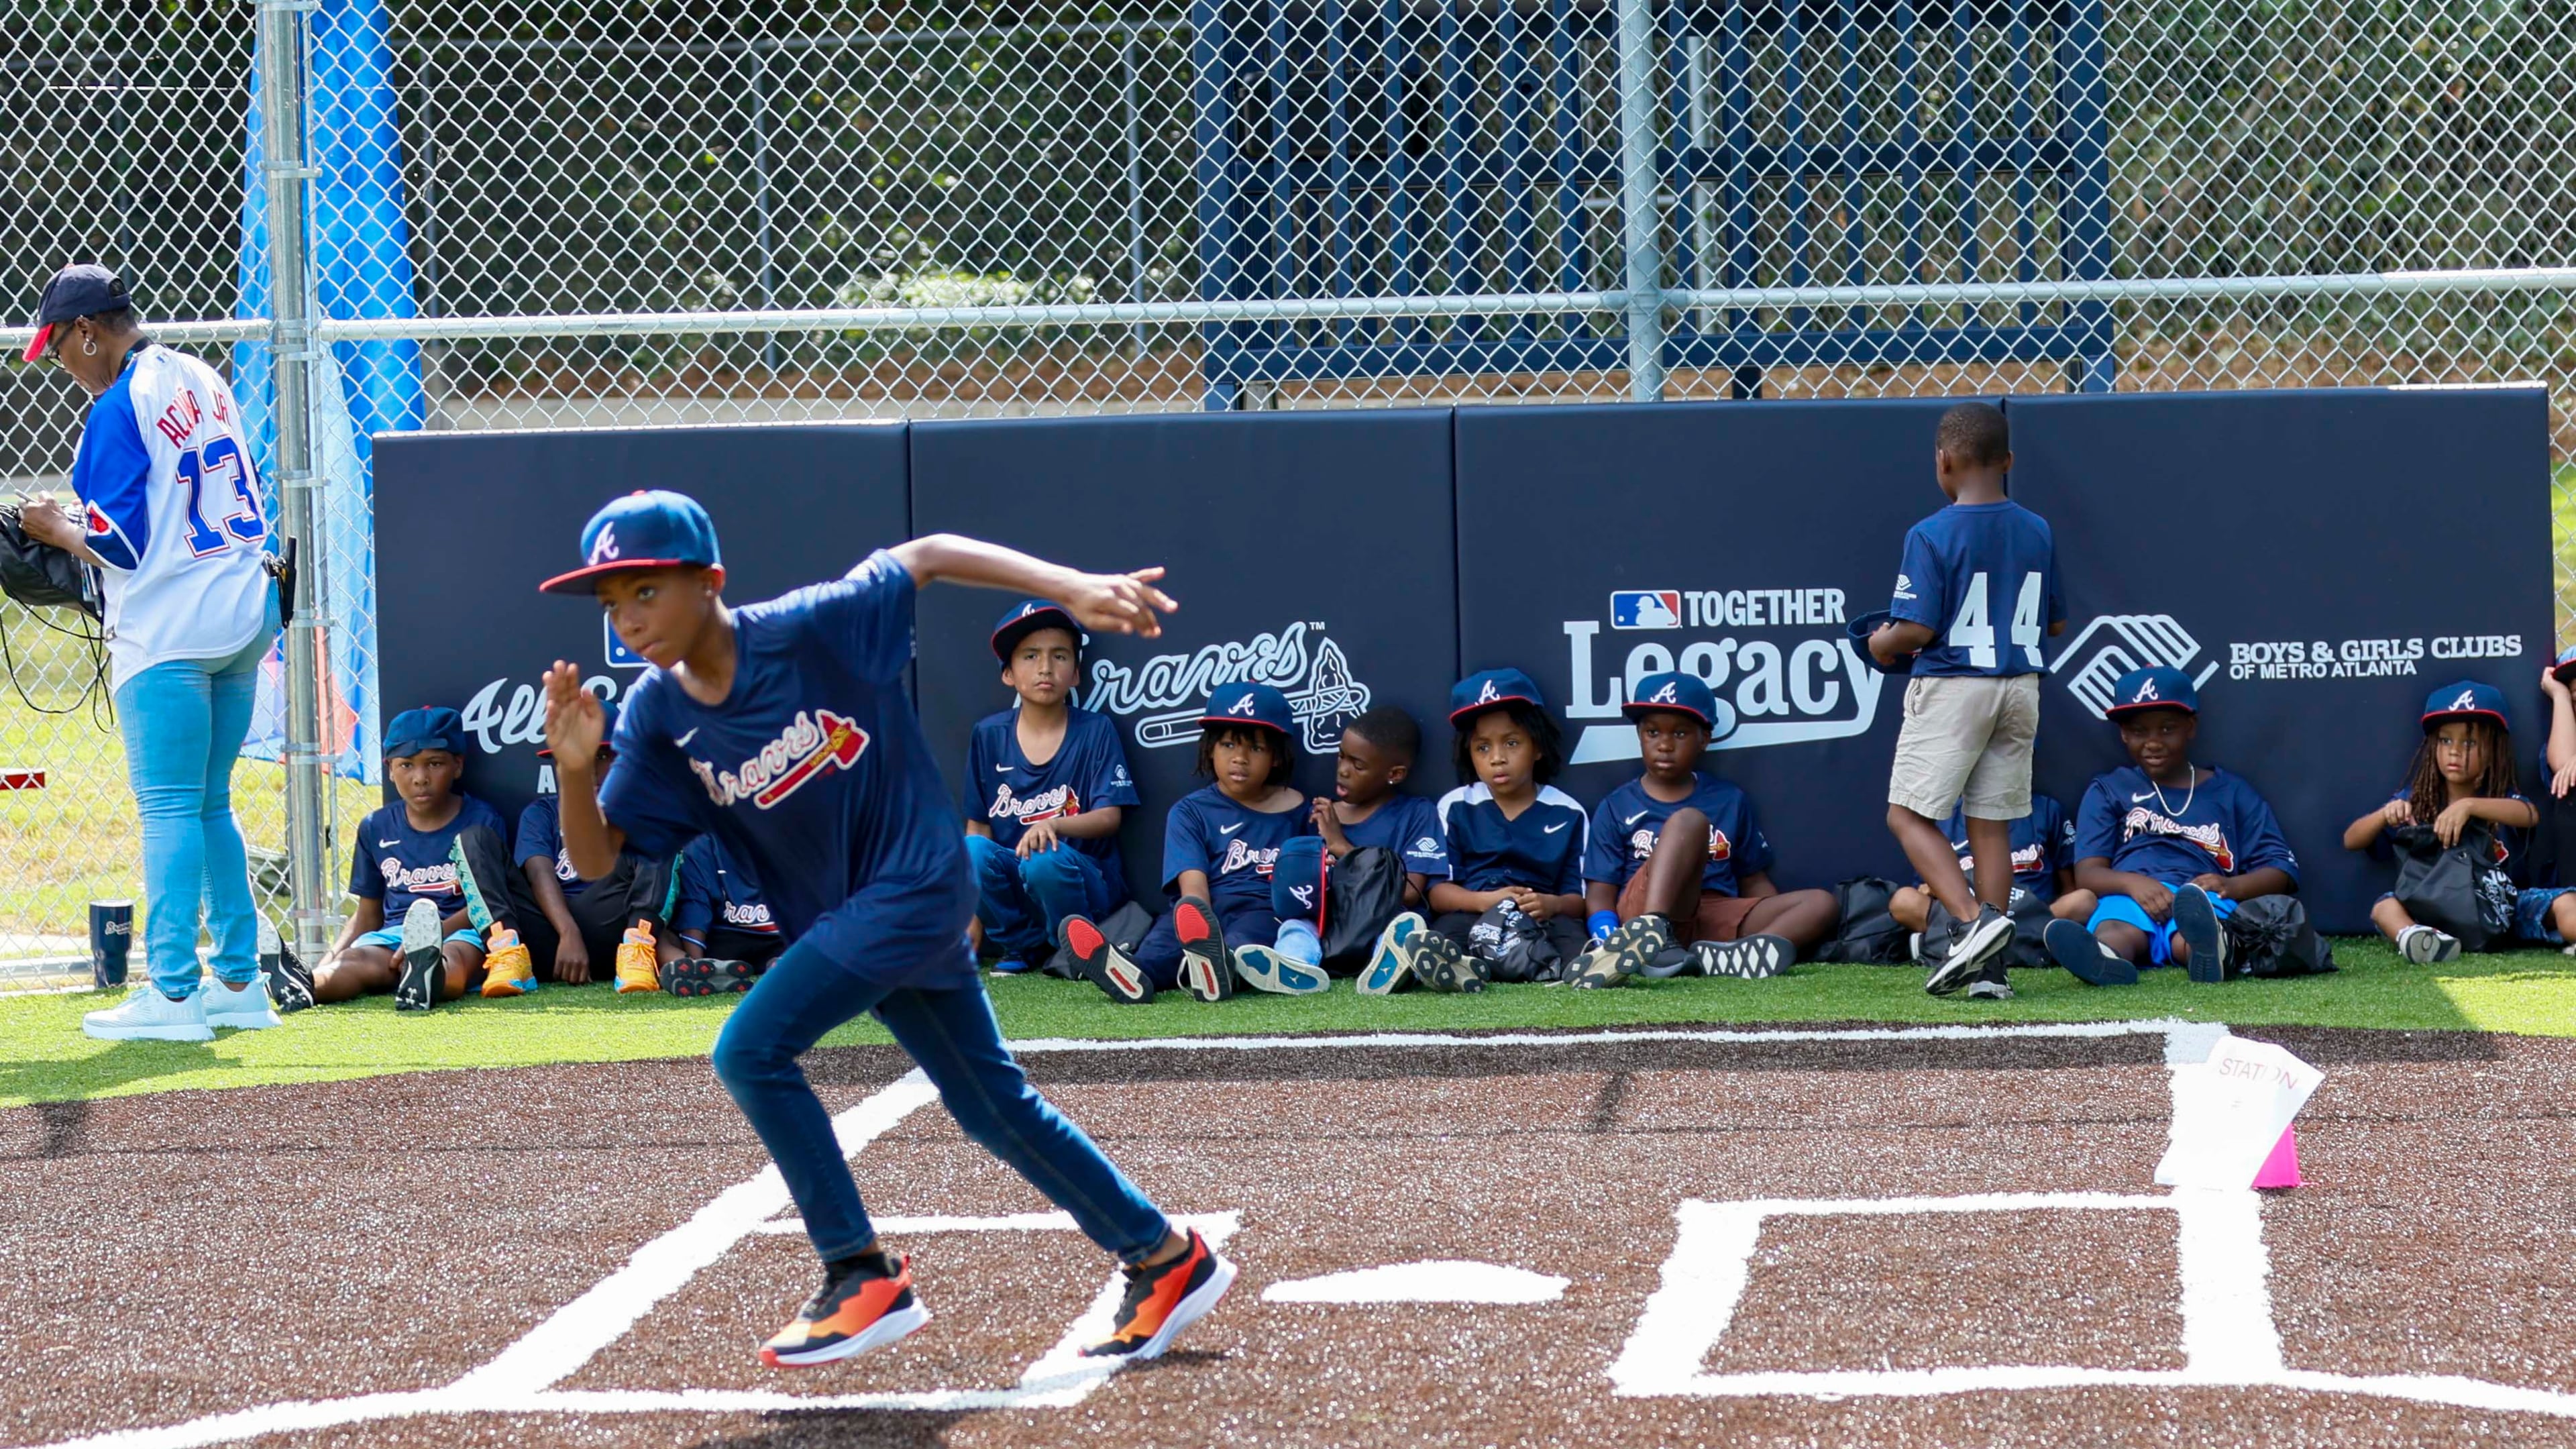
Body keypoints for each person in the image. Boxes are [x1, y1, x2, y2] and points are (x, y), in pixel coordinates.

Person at [537, 491, 1232, 1368]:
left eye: (646, 591)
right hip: (854, 918)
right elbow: (598, 860)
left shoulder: (808, 629)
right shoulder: (655, 715)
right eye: (611, 603)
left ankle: (858, 1272)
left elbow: (928, 553)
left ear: (710, 581)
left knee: (748, 1050)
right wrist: (574, 773)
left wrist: (1071, 586)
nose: (628, 619)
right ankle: (1163, 1256)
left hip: (916, 884)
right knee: (991, 1108)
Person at [19, 266, 282, 1042]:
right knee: (211, 803)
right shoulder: (201, 373)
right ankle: (239, 983)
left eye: (58, 347)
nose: (59, 363)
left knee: (168, 806)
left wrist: (55, 528)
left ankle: (172, 994)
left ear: (88, 332)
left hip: (170, 628)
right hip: (242, 613)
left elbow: (121, 546)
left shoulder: (116, 405)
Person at [1866, 400, 2065, 998]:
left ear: (1944, 460)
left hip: (1956, 684)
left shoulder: (1930, 532)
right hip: (2021, 686)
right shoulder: (2037, 529)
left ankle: (1971, 923)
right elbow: (2055, 623)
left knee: (1907, 815)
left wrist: (1881, 642)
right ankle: (1991, 970)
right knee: (1992, 824)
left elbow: (1917, 628)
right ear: (2008, 461)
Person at [1570, 672, 1837, 987]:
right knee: (1690, 822)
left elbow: (1753, 880)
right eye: (1653, 732)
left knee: (1821, 903)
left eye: (1680, 734)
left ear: (1704, 740)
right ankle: (1653, 935)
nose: (1665, 745)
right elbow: (1600, 893)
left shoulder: (1728, 799)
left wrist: (1771, 917)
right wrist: (1608, 941)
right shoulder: (1617, 805)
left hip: (1711, 912)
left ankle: (1733, 957)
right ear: (1640, 736)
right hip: (1642, 910)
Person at [1064, 686, 1326, 1003]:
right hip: (1199, 912)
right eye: (1228, 745)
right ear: (1210, 749)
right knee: (1161, 949)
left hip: (1260, 911)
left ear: (1276, 757)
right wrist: (1200, 928)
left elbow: (1310, 886)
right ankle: (1130, 973)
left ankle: (1221, 968)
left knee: (1243, 944)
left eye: (1256, 749)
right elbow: (1193, 889)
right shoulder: (1190, 811)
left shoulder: (1303, 813)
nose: (1240, 758)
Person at [2042, 667, 2300, 985]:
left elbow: (2282, 870)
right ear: (2123, 734)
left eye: (2167, 729)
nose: (2153, 743)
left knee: (2192, 933)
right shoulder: (2109, 789)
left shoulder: (2231, 791)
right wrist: (2134, 884)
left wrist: (2232, 887)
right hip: (2130, 895)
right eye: (2139, 731)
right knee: (2117, 930)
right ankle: (2104, 958)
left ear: (2190, 727)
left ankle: (2211, 953)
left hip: (2201, 898)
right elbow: (2088, 873)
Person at [962, 599, 1138, 974]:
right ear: (1008, 673)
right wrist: (971, 920)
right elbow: (978, 826)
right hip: (1020, 880)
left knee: (1044, 858)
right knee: (970, 850)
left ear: (1075, 674)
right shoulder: (989, 734)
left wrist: (1054, 824)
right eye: (1030, 656)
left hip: (1084, 882)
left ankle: (1074, 949)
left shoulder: (1095, 730)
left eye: (1059, 656)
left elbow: (1110, 816)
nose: (1045, 667)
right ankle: (1021, 946)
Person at [447, 700, 670, 996]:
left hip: (615, 934)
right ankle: (506, 952)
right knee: (473, 839)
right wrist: (568, 932)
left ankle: (639, 950)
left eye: (601, 756)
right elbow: (539, 874)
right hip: (546, 937)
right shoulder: (543, 813)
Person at [2343, 681, 2553, 962]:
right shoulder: (2419, 800)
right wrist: (2385, 814)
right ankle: (2418, 940)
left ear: (2493, 750)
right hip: (2435, 913)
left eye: (2469, 742)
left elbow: (2529, 814)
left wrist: (2468, 807)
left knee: (2565, 903)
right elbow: (2351, 840)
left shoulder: (2499, 796)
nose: (2454, 751)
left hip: (2504, 909)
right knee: (2385, 906)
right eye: (2445, 740)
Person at [311, 708, 505, 1010]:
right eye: (406, 765)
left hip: (459, 933)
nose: (420, 778)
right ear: (390, 769)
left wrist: (433, 937)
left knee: (454, 959)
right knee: (355, 961)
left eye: (435, 764)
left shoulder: (482, 822)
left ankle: (425, 975)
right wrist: (329, 960)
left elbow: (486, 904)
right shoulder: (376, 827)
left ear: (457, 765)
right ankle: (306, 985)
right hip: (394, 936)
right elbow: (367, 915)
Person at [1420, 669, 1589, 991]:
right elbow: (1438, 893)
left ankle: (1585, 968)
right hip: (1474, 912)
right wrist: (1484, 901)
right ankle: (1460, 971)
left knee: (1574, 941)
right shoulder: (1456, 806)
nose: (1497, 758)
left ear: (1537, 746)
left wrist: (1550, 904)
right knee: (1443, 936)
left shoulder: (1568, 811)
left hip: (1539, 916)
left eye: (1512, 743)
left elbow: (1577, 899)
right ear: (1468, 753)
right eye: (1483, 748)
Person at [1313, 706, 1450, 994]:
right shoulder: (1321, 814)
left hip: (1385, 924)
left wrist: (1342, 848)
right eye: (1341, 756)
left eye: (1358, 765)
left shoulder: (1416, 813)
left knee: (1403, 931)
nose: (1343, 770)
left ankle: (1391, 966)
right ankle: (1296, 964)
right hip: (1331, 928)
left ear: (1395, 774)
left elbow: (1410, 893)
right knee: (1296, 929)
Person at [1889, 796, 2097, 980]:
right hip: (1964, 910)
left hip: (2030, 911)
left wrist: (2042, 913)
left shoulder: (2046, 808)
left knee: (2083, 901)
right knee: (1904, 901)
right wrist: (1932, 889)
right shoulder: (1945, 816)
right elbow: (1923, 888)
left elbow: (2068, 886)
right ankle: (2018, 944)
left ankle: (1942, 944)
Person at [660, 833, 788, 994]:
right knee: (657, 933)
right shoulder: (703, 842)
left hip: (725, 947)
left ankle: (697, 969)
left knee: (659, 936)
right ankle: (701, 969)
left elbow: (696, 909)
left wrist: (698, 958)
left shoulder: (702, 839)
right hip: (771, 941)